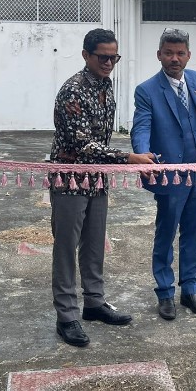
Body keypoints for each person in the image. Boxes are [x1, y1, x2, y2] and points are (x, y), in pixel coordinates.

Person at [49, 29, 156, 347]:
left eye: (114, 57)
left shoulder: (106, 86)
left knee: (95, 243)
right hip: (70, 179)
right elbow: (83, 145)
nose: (109, 63)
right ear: (86, 55)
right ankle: (66, 316)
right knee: (66, 248)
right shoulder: (73, 90)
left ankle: (94, 303)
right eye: (103, 57)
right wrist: (129, 158)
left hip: (98, 178)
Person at [131, 28, 196, 321]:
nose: (174, 59)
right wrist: (143, 154)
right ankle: (165, 292)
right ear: (159, 55)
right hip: (170, 174)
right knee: (166, 234)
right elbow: (141, 126)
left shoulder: (195, 80)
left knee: (194, 232)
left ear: (188, 55)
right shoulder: (147, 90)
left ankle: (190, 289)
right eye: (168, 53)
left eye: (180, 53)